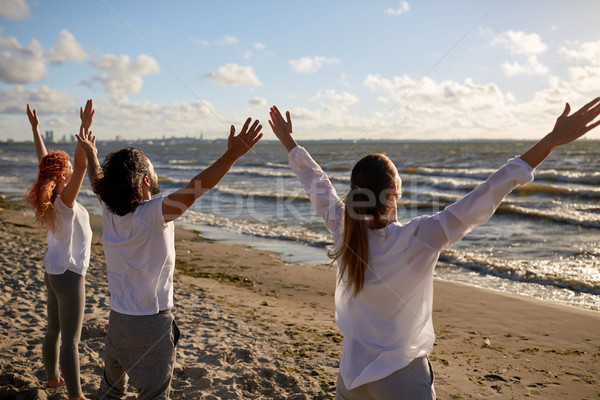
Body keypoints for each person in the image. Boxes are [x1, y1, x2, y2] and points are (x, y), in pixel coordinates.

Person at [268, 98, 600, 400]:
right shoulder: (421, 236)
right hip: (401, 377)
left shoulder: (345, 229)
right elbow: (488, 193)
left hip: (351, 378)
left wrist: (289, 142)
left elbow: (317, 183)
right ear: (395, 192)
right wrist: (550, 142)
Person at [75, 117, 262, 399]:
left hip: (118, 321)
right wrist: (232, 155)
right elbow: (197, 187)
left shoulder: (110, 211)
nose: (155, 169)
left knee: (110, 393)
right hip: (151, 324)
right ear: (145, 180)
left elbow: (98, 183)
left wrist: (91, 153)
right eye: (152, 166)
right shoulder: (153, 213)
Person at [25, 100, 95, 400]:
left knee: (53, 331)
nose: (70, 170)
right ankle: (76, 396)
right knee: (71, 340)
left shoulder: (52, 196)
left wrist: (35, 129)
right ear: (63, 175)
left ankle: (53, 379)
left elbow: (45, 161)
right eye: (66, 168)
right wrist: (84, 128)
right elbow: (81, 165)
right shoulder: (65, 202)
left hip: (52, 272)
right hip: (69, 275)